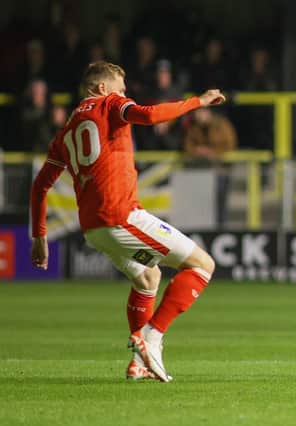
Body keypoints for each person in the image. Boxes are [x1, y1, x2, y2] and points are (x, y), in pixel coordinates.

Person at [30, 61, 226, 382]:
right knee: (202, 265)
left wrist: (39, 236)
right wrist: (197, 102)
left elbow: (41, 185)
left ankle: (139, 363)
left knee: (148, 279)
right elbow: (149, 115)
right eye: (122, 88)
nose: (126, 94)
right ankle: (152, 337)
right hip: (120, 215)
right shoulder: (110, 104)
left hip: (93, 228)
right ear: (102, 88)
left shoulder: (65, 131)